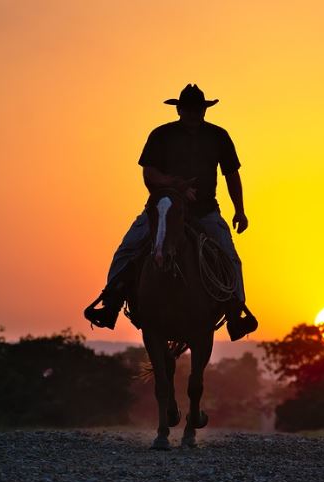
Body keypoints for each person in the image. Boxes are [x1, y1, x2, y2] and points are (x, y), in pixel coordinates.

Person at [84, 84, 258, 341]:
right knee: (127, 250)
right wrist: (175, 184)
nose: (193, 113)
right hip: (162, 209)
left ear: (204, 110)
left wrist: (240, 211)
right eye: (188, 109)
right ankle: (110, 304)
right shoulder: (161, 135)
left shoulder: (219, 136)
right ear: (179, 109)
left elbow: (232, 174)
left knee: (230, 257)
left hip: (205, 211)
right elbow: (149, 173)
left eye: (198, 109)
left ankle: (235, 314)